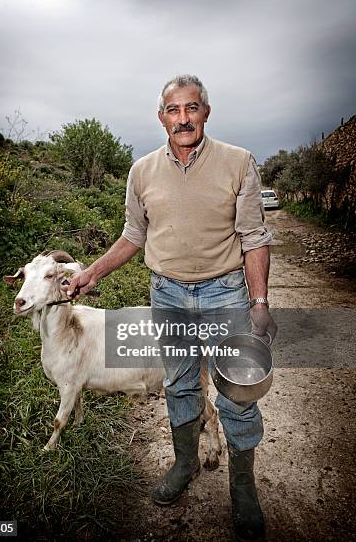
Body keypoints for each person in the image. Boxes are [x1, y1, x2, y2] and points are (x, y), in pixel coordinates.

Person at [62, 74, 277, 541]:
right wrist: (91, 274)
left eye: (192, 108)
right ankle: (184, 465)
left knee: (238, 393)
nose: (183, 118)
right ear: (161, 116)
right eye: (174, 110)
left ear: (206, 112)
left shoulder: (239, 163)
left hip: (225, 294)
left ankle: (243, 489)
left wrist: (259, 302)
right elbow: (133, 237)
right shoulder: (141, 172)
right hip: (169, 296)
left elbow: (255, 237)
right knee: (179, 384)